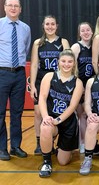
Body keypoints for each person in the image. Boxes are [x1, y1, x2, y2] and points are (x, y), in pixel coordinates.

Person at [38, 49, 83, 177]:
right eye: (63, 61)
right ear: (58, 62)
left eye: (70, 62)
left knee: (63, 162)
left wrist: (58, 120)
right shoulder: (49, 76)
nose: (66, 64)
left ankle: (60, 149)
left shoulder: (78, 83)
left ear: (74, 64)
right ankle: (46, 162)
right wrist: (46, 116)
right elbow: (42, 97)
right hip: (51, 117)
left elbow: (73, 106)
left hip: (68, 122)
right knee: (45, 128)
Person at [30, 15, 70, 155]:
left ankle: (53, 140)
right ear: (43, 25)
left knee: (55, 111)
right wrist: (33, 85)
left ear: (56, 26)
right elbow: (34, 65)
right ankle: (39, 141)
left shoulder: (63, 42)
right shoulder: (37, 43)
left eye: (53, 24)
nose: (50, 26)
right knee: (38, 112)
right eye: (47, 24)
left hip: (58, 81)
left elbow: (69, 61)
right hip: (41, 80)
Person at [0, 0, 31, 161]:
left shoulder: (26, 28)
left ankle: (16, 146)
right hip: (1, 72)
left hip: (19, 73)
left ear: (20, 9)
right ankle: (1, 148)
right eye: (10, 5)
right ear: (5, 8)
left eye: (16, 6)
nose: (13, 8)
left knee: (17, 113)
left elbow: (25, 48)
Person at [71, 22, 94, 154]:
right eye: (83, 30)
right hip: (81, 86)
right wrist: (79, 86)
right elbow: (71, 67)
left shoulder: (94, 47)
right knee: (81, 115)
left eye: (88, 30)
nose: (86, 32)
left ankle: (89, 142)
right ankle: (83, 142)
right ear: (79, 33)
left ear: (92, 32)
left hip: (91, 86)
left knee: (87, 114)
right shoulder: (76, 47)